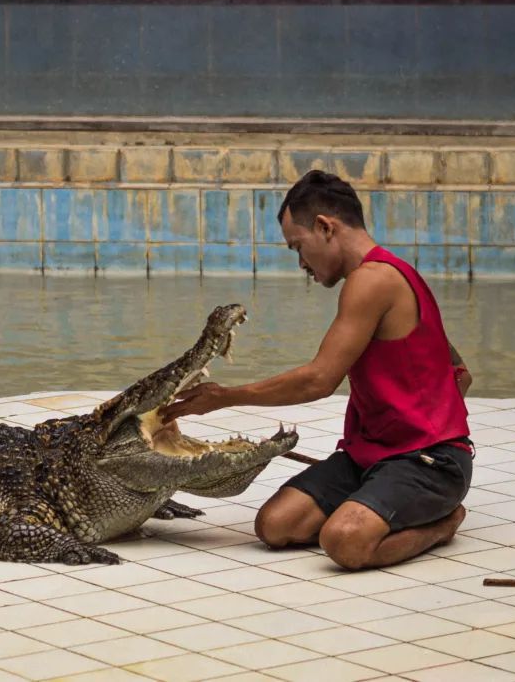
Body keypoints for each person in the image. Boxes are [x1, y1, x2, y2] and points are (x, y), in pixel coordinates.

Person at [159, 170, 473, 570]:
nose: (301, 263)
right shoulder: (396, 274)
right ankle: (381, 501)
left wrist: (224, 398)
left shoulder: (372, 280)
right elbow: (460, 371)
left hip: (427, 462)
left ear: (326, 227)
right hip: (370, 457)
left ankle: (443, 523)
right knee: (274, 526)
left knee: (344, 543)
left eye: (298, 247)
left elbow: (320, 380)